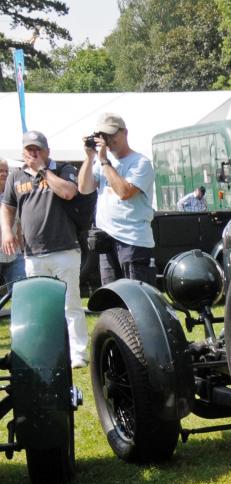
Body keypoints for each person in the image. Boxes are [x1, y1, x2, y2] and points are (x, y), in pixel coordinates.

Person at [3, 130, 88, 365]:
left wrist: (43, 170)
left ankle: (78, 353)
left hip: (64, 249)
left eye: (38, 149)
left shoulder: (63, 169)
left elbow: (69, 192)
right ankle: (49, 354)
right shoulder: (16, 176)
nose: (34, 153)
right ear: (23, 152)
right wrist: (7, 231)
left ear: (47, 151)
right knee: (42, 308)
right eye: (29, 149)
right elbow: (7, 205)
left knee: (71, 303)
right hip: (33, 253)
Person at [76, 113, 157, 286]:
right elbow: (84, 188)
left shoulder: (140, 162)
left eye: (112, 134)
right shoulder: (101, 162)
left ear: (125, 133)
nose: (108, 140)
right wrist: (90, 158)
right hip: (106, 239)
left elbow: (124, 193)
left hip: (133, 241)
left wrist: (104, 161)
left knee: (137, 299)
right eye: (103, 136)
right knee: (112, 297)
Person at [0, 159, 23, 289]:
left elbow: (18, 223)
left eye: (6, 171)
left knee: (21, 290)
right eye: (0, 171)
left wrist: (22, 246)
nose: (4, 174)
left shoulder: (13, 195)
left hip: (14, 252)